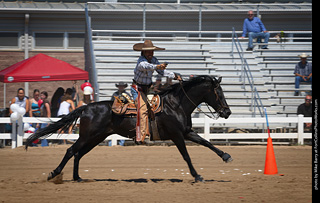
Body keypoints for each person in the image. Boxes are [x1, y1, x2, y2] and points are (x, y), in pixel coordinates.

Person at [133, 40, 182, 143]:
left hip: (148, 89)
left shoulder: (154, 60)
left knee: (158, 106)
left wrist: (174, 76)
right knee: (142, 110)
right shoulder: (141, 61)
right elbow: (145, 66)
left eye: (151, 51)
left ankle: (155, 131)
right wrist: (157, 66)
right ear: (144, 52)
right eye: (148, 52)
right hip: (138, 89)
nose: (150, 54)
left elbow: (162, 71)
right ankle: (141, 137)